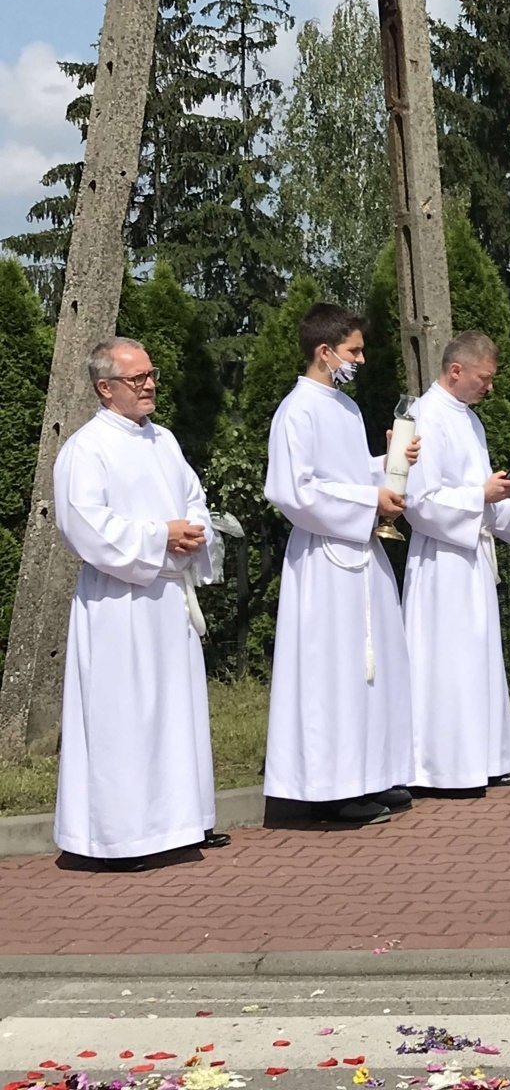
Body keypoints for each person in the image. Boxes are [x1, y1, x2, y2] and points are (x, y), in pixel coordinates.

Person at [52, 338, 226, 872]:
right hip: (119, 603)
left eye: (151, 375)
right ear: (105, 388)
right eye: (137, 378)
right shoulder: (86, 448)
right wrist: (159, 536)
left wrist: (194, 531)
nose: (149, 385)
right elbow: (84, 525)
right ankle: (122, 836)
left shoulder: (164, 440)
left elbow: (192, 497)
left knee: (173, 714)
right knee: (124, 719)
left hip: (167, 597)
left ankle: (177, 821)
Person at [264, 304, 417, 824]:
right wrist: (368, 498)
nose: (361, 358)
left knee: (373, 668)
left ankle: (371, 772)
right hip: (324, 561)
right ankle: (330, 787)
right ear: (324, 352)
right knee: (331, 671)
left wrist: (389, 464)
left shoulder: (345, 409)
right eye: (353, 350)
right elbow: (294, 490)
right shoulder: (298, 410)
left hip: (360, 552)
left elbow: (348, 474)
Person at [403, 332, 510, 796]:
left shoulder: (470, 421)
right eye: (484, 378)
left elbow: (485, 501)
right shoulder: (423, 416)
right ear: (456, 370)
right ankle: (438, 768)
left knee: (475, 659)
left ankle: (481, 760)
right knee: (445, 661)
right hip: (439, 562)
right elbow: (418, 501)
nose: (489, 387)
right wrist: (480, 494)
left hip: (472, 556)